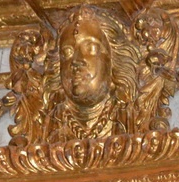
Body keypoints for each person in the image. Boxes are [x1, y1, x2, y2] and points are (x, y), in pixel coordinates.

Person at [46, 5, 141, 140]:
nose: (76, 61)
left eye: (90, 48)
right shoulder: (50, 125)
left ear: (114, 58)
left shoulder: (130, 119)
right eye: (67, 52)